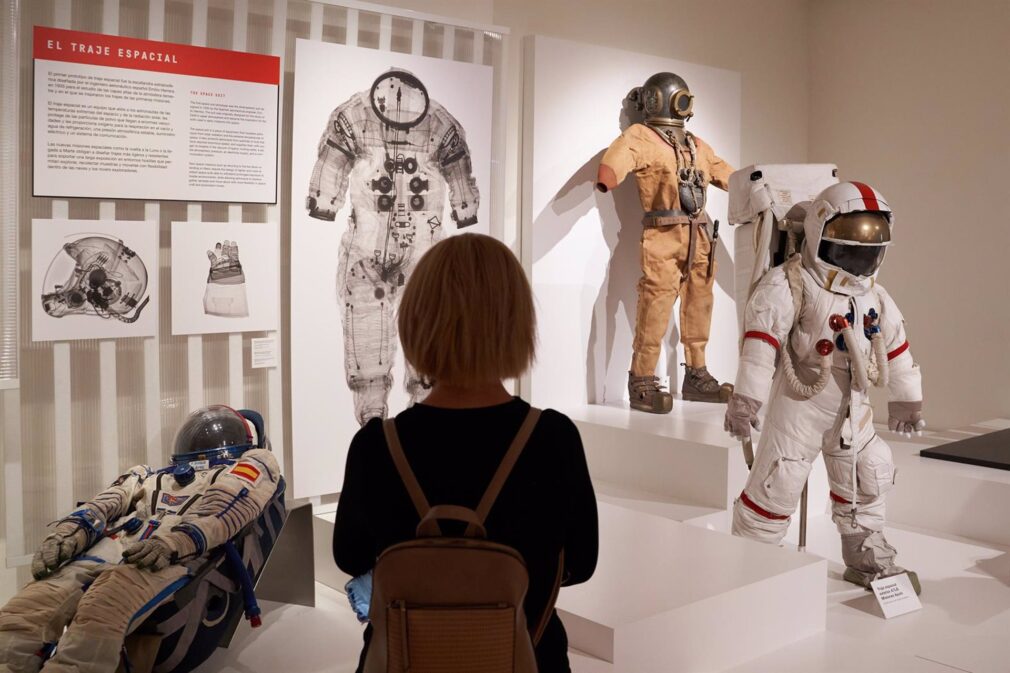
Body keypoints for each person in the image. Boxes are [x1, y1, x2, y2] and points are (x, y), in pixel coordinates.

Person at [334, 233, 599, 672]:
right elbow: (581, 563)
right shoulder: (553, 437)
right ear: (516, 324)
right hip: (525, 654)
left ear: (416, 322)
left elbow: (351, 556)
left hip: (405, 656)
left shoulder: (377, 445)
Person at [725, 181, 924, 592]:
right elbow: (760, 346)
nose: (859, 258)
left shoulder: (876, 297)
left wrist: (906, 400)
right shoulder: (790, 283)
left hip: (853, 407)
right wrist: (745, 402)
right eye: (848, 248)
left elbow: (898, 348)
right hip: (800, 404)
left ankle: (865, 556)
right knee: (776, 483)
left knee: (866, 478)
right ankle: (750, 566)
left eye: (869, 250)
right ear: (819, 236)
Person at [0, 406, 282, 672]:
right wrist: (69, 533)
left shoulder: (248, 466)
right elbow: (105, 502)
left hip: (172, 552)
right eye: (194, 437)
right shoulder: (147, 475)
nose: (199, 446)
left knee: (104, 608)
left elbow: (226, 507)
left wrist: (176, 542)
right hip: (114, 544)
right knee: (32, 606)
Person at [596, 72, 735, 411]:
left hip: (700, 236)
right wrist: (608, 176)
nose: (683, 106)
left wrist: (762, 186)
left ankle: (697, 375)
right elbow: (611, 167)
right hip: (664, 235)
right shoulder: (640, 137)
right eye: (679, 99)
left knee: (700, 303)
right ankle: (642, 380)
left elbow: (731, 176)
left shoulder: (698, 145)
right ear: (657, 101)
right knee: (655, 305)